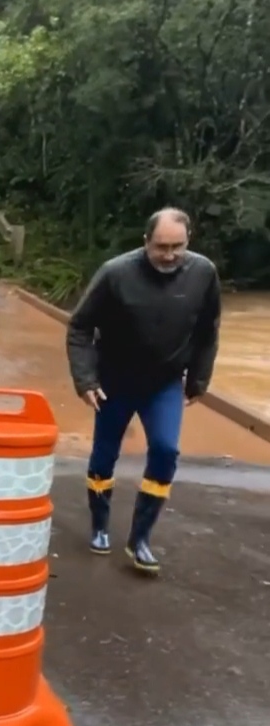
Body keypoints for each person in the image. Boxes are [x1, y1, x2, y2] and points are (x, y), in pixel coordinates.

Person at [66, 208, 221, 575]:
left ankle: (140, 540)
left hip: (164, 383)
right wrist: (86, 380)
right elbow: (79, 328)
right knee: (105, 455)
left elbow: (208, 331)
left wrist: (199, 380)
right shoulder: (116, 273)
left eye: (177, 247)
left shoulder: (203, 273)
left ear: (188, 241)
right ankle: (100, 525)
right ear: (145, 242)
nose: (169, 255)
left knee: (166, 451)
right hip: (114, 382)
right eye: (160, 247)